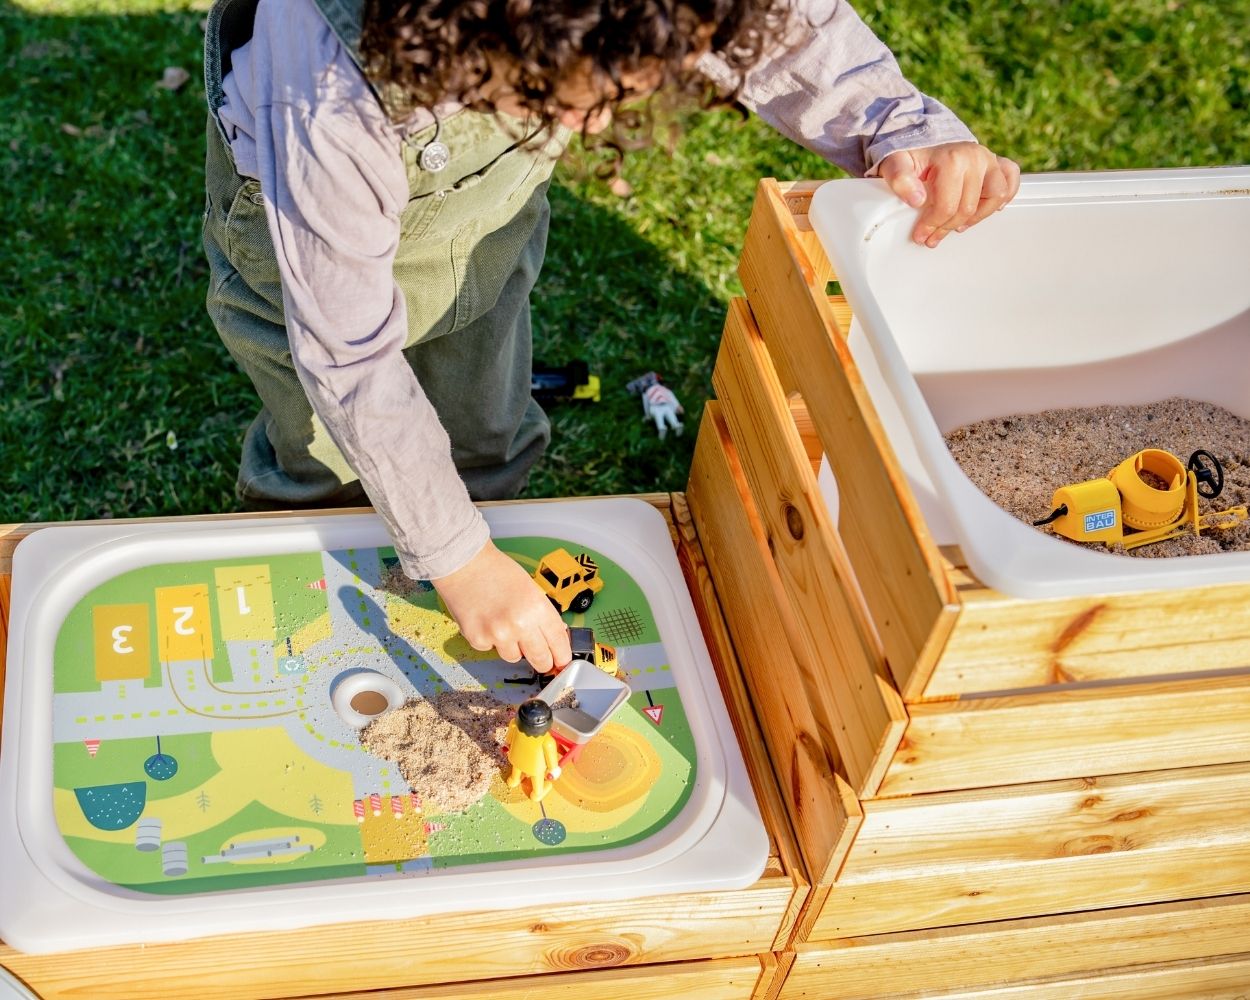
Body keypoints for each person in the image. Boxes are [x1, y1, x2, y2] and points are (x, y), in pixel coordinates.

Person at [202, 0, 1020, 674]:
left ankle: (477, 514)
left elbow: (788, 24)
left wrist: (897, 123)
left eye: (615, 93)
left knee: (483, 409)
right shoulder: (326, 90)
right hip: (303, 241)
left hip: (474, 221)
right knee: (329, 455)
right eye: (556, 97)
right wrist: (458, 560)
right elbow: (348, 355)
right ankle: (320, 584)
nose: (593, 123)